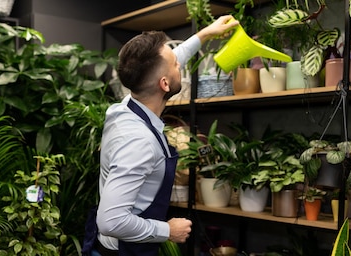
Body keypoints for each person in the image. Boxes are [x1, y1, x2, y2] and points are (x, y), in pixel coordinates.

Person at [82, 15, 239, 256]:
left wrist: (206, 34)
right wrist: (167, 230)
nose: (180, 64)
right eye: (176, 64)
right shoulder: (139, 142)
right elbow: (110, 221)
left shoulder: (124, 106)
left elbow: (169, 63)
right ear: (165, 84)